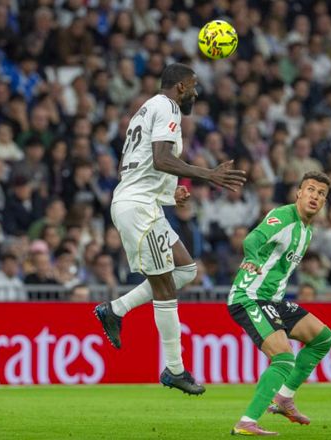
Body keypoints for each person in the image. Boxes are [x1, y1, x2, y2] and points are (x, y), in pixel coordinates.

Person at [93, 63, 246, 395]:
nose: (195, 92)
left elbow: (136, 165)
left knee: (186, 270)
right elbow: (161, 159)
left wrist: (167, 194)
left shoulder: (146, 109)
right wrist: (208, 174)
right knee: (164, 288)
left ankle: (116, 309)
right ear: (180, 87)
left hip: (144, 203)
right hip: (138, 209)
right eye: (193, 86)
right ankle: (175, 369)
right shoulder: (168, 107)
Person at [229, 171, 331, 436]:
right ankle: (246, 422)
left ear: (324, 202)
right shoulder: (283, 216)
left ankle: (284, 399)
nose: (315, 196)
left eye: (321, 193)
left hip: (273, 301)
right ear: (298, 192)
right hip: (249, 296)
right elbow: (252, 239)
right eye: (310, 189)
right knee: (284, 358)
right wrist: (252, 258)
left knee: (323, 338)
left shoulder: (307, 231)